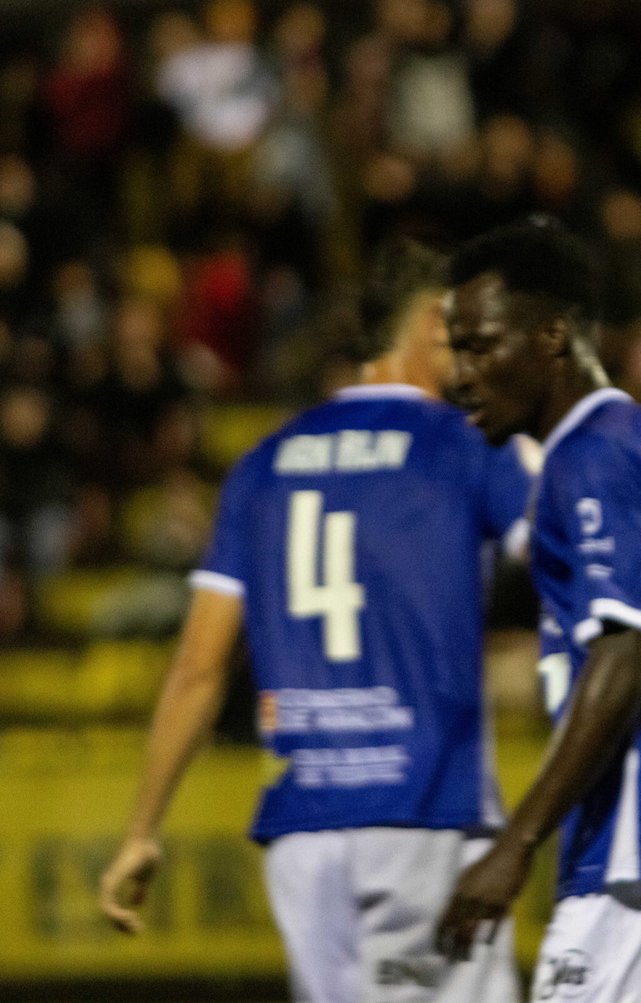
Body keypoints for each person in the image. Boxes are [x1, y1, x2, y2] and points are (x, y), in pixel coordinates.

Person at [98, 242, 530, 1003]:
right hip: (423, 810)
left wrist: (141, 829)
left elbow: (198, 664)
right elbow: (576, 559)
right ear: (433, 323)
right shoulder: (466, 446)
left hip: (303, 833)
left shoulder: (264, 462)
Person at [435, 217, 641, 1002]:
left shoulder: (592, 457)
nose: (460, 375)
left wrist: (516, 842)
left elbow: (624, 653)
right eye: (455, 350)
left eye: (480, 346)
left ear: (552, 335)